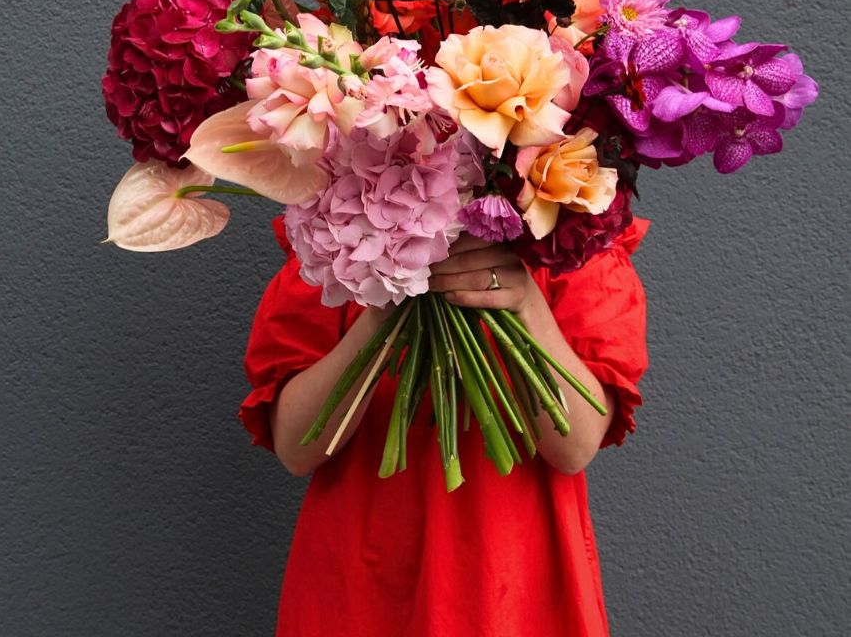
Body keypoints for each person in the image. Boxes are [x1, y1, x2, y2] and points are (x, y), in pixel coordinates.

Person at [240, 213, 649, 637]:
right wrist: (383, 301)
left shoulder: (570, 239)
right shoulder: (339, 237)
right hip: (364, 589)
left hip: (512, 589)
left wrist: (525, 302)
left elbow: (574, 446)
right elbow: (296, 446)